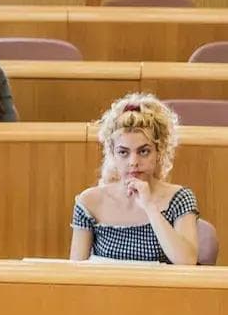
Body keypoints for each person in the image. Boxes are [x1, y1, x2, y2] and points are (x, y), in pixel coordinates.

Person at [70, 94, 198, 265]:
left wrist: (150, 207)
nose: (133, 162)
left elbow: (188, 262)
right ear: (113, 154)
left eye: (143, 151)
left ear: (159, 152)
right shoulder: (88, 202)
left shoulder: (180, 198)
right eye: (123, 152)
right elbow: (75, 275)